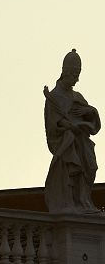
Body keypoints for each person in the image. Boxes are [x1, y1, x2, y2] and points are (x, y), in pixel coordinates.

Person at [43, 49, 100, 213]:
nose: (77, 79)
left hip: (82, 141)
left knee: (91, 166)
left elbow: (91, 118)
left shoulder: (77, 96)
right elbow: (54, 122)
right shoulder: (54, 97)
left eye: (78, 75)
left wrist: (90, 111)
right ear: (66, 73)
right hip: (68, 142)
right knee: (72, 170)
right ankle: (72, 202)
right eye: (74, 75)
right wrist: (69, 126)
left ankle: (84, 201)